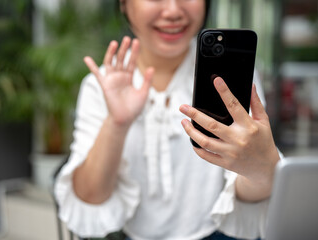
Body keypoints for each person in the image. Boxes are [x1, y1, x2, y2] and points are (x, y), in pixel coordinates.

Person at [54, 0, 282, 239]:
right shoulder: (100, 86)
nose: (173, 11)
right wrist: (116, 123)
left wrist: (260, 168)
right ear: (123, 4)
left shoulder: (233, 76)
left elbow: (248, 192)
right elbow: (89, 197)